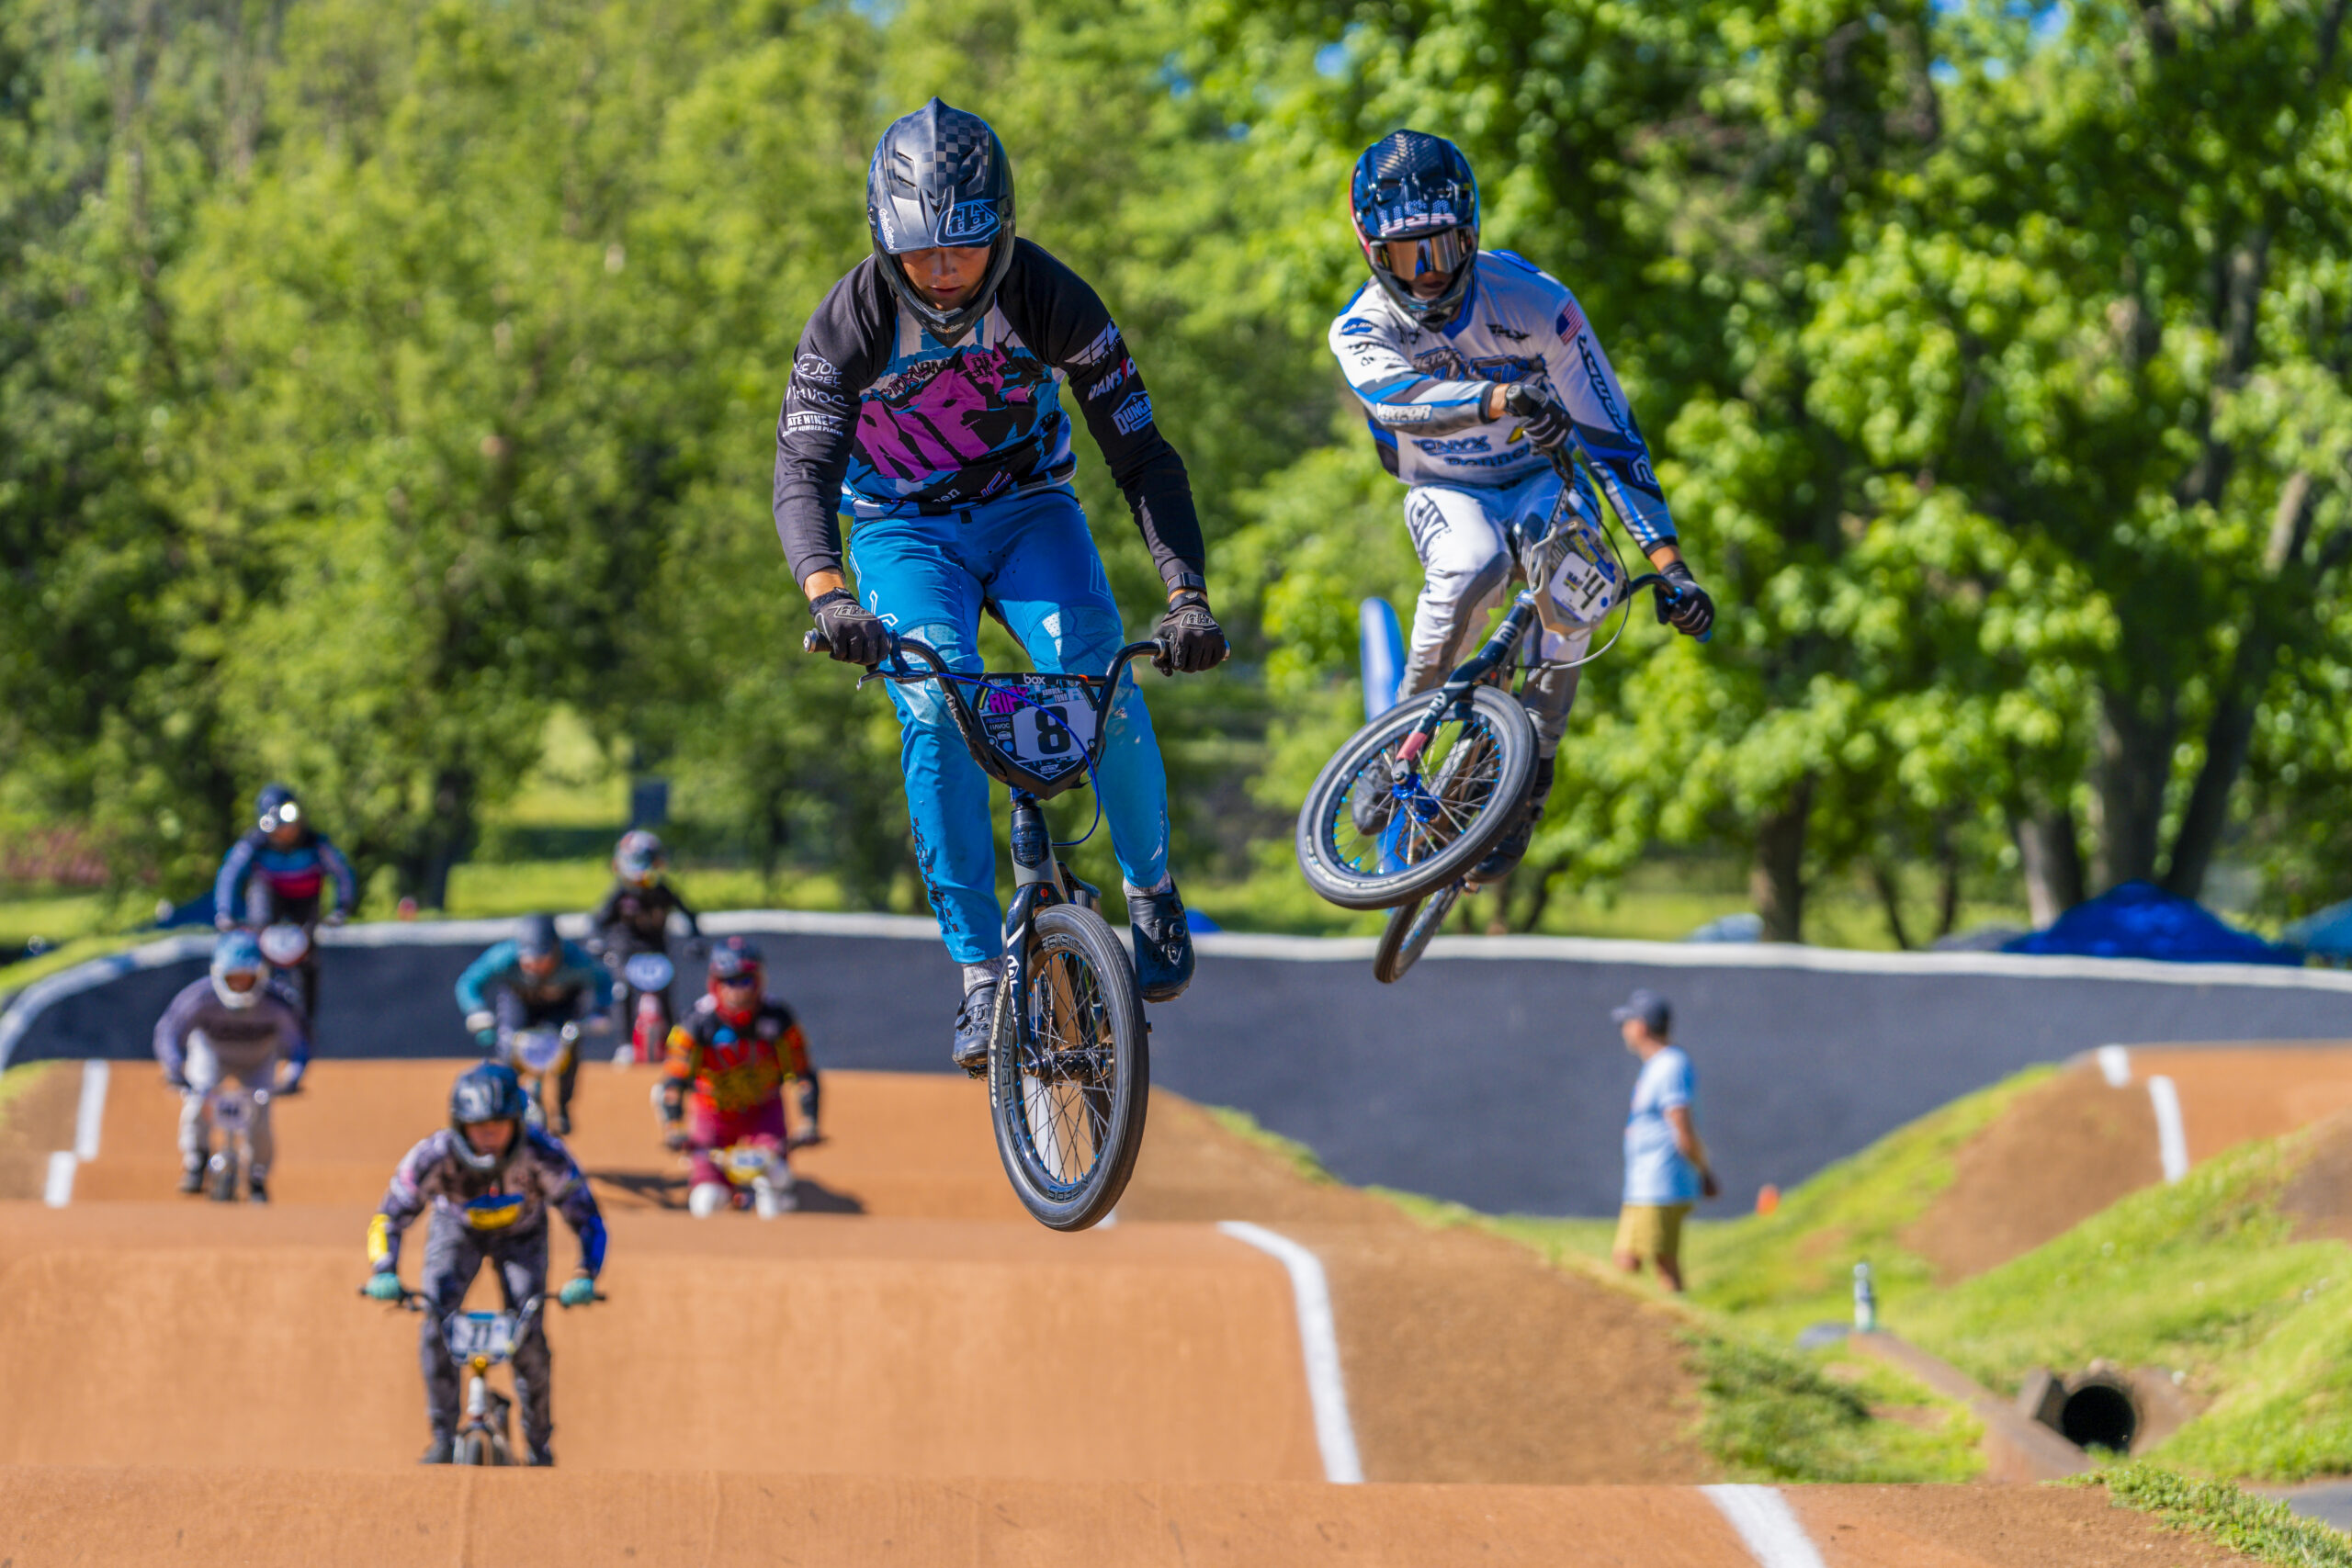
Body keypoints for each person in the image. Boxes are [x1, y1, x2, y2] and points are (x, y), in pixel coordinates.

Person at [774, 97, 1228, 1071]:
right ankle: (980, 973)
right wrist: (829, 596)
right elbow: (801, 473)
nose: (941, 276)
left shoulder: (1051, 298)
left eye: (964, 253)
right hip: (901, 534)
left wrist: (1185, 595)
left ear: (1004, 234)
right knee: (933, 705)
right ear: (882, 243)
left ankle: (1151, 891)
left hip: (1030, 514)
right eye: (920, 255)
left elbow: (1142, 454)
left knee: (1098, 674)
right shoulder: (850, 317)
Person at [1329, 132, 1716, 884]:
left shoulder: (1540, 305)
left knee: (1577, 587)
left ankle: (1529, 779)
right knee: (1472, 566)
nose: (1430, 277)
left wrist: (1671, 566)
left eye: (1442, 250)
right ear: (1372, 252)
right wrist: (1501, 395)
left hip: (1543, 478)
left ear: (1472, 234)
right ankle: (1391, 745)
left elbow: (1613, 439)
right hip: (1446, 483)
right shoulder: (1359, 327)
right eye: (1407, 258)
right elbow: (1398, 399)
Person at [360, 1062, 605, 1467]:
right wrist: (384, 1269)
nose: (488, 1135)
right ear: (459, 1124)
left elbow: (587, 1217)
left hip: (523, 1236)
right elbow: (388, 1216)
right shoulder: (432, 1156)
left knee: (528, 1333)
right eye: (478, 1126)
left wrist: (585, 1273)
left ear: (516, 1123)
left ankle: (539, 1444)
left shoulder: (544, 1154)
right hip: (456, 1231)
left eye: (498, 1124)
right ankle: (442, 1437)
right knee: (435, 1323)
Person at [660, 936, 819, 1218]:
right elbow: (673, 1080)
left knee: (775, 1189)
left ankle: (783, 1198)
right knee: (705, 1204)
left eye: (745, 980)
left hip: (763, 1115)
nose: (737, 991)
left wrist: (809, 1122)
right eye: (728, 981)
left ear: (758, 980)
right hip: (713, 1118)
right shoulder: (696, 1022)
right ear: (715, 983)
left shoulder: (778, 1017)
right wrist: (674, 1127)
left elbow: (803, 1073)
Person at [153, 931, 310, 1201]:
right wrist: (175, 1069)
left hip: (259, 1059)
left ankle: (257, 1175)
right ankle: (196, 1160)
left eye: (245, 978)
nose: (239, 985)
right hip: (211, 1054)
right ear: (218, 975)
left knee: (260, 1111)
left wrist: (292, 1076)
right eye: (232, 979)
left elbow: (299, 1043)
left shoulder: (278, 1004)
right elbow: (168, 1031)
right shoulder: (200, 998)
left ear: (260, 976)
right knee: (197, 1100)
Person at [452, 914, 612, 1135]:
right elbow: (469, 982)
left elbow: (603, 980)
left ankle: (562, 1107)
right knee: (508, 1053)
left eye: (542, 959)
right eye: (528, 960)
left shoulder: (575, 961)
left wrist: (600, 1011)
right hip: (518, 1004)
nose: (534, 966)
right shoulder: (504, 957)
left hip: (561, 1008)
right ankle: (510, 1108)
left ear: (555, 950)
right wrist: (476, 1011)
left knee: (568, 1050)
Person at [212, 783, 358, 1019]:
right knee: (258, 944)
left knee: (308, 957)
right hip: (269, 898)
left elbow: (342, 873)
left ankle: (306, 1022)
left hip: (305, 901)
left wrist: (342, 908)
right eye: (278, 827)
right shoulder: (254, 844)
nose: (285, 833)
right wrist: (224, 912)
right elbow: (230, 873)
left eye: (290, 824)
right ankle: (258, 1012)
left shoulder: (316, 845)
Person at [1611, 987, 1718, 1292]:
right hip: (1647, 1182)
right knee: (1653, 1258)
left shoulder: (1671, 1065)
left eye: (1628, 1022)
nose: (1624, 1030)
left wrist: (1704, 1172)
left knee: (1642, 1260)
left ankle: (1676, 1330)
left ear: (1642, 1026)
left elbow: (1682, 1128)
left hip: (1660, 1183)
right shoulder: (1659, 1066)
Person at [589, 829, 699, 1043]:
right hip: (625, 950)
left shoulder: (662, 891)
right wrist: (597, 942)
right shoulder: (620, 892)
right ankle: (625, 1045)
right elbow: (598, 920)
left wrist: (695, 939)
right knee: (622, 990)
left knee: (666, 991)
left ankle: (673, 1043)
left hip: (656, 948)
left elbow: (689, 915)